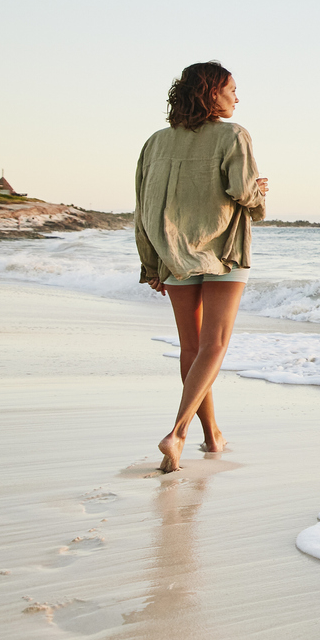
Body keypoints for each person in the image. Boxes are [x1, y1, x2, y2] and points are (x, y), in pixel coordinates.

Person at [134, 61, 269, 473]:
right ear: (212, 93)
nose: (236, 97)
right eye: (231, 89)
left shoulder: (155, 142)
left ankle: (212, 435)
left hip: (173, 253)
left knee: (192, 348)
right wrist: (260, 194)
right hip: (224, 250)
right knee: (214, 345)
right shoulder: (234, 134)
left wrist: (150, 263)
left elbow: (143, 209)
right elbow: (244, 193)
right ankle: (177, 433)